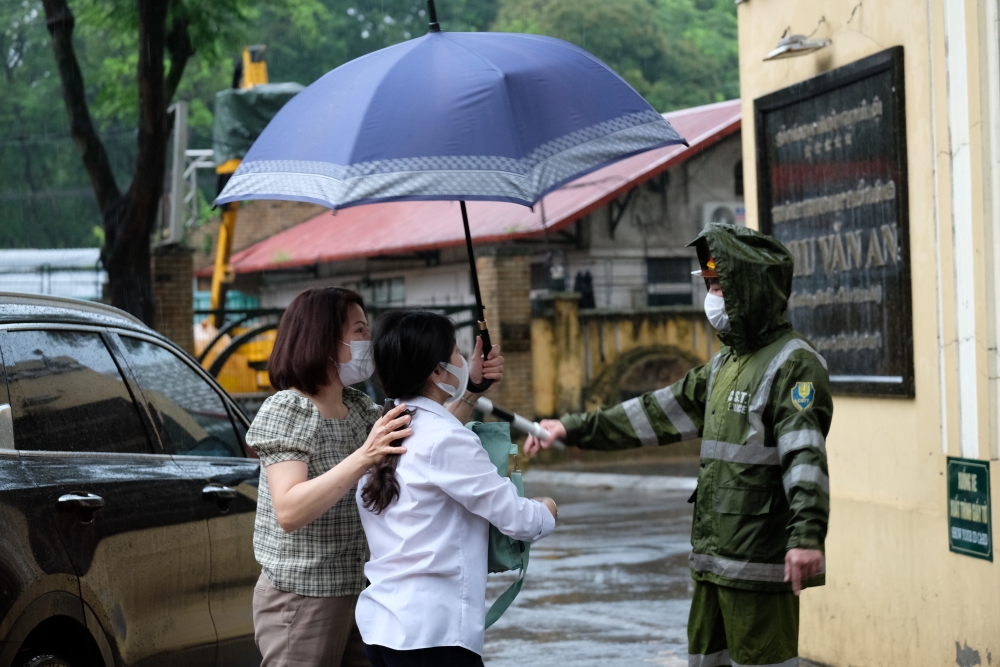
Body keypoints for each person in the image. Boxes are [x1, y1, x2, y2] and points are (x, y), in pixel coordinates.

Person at [525, 223, 831, 667]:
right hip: (713, 559)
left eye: (717, 285)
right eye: (707, 284)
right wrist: (571, 429)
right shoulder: (725, 364)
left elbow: (805, 456)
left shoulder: (794, 364)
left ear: (748, 288)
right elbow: (654, 412)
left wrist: (806, 537)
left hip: (759, 564)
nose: (710, 297)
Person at [246, 288, 504, 667]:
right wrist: (365, 455)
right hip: (303, 596)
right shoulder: (289, 408)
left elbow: (427, 439)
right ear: (323, 338)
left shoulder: (359, 407)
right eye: (359, 330)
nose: (370, 340)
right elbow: (289, 509)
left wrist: (469, 390)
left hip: (362, 593)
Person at [356, 310, 558, 667]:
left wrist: (471, 388)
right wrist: (547, 510)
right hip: (434, 634)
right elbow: (516, 519)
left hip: (382, 628)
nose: (462, 361)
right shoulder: (448, 440)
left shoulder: (381, 433)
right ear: (436, 371)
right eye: (455, 353)